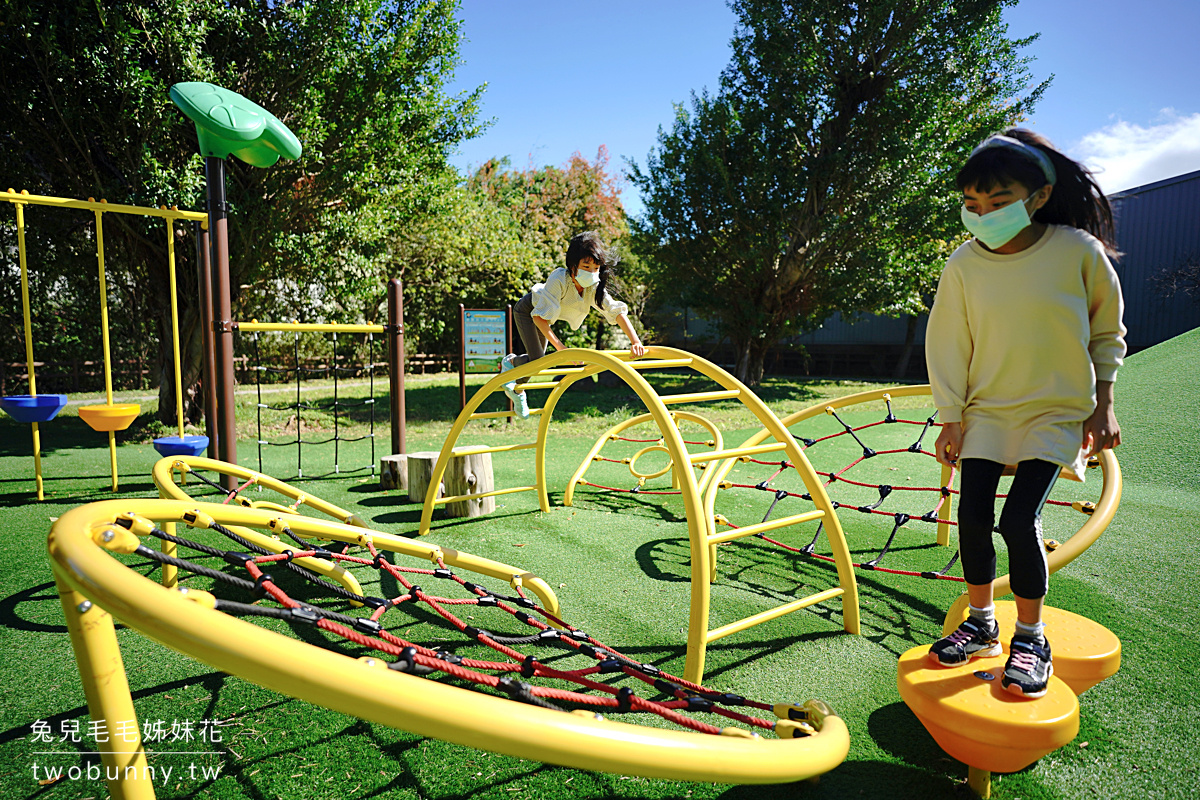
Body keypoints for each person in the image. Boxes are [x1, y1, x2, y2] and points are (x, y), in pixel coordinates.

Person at [924, 129, 1126, 699]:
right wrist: (951, 416)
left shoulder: (1076, 251)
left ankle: (1032, 637)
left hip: (1055, 411)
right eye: (971, 205)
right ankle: (983, 622)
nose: (982, 215)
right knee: (970, 515)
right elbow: (948, 343)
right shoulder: (964, 264)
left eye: (998, 202)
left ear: (1037, 196)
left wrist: (1103, 405)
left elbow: (1107, 332)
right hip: (987, 408)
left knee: (1017, 521)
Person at [501, 231, 646, 417]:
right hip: (528, 311)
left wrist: (635, 341)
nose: (592, 272)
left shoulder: (593, 286)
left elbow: (615, 312)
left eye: (596, 268)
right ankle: (514, 372)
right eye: (586, 266)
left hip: (543, 316)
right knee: (538, 360)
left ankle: (516, 386)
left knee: (537, 361)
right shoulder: (559, 278)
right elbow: (539, 318)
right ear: (573, 266)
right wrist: (561, 349)